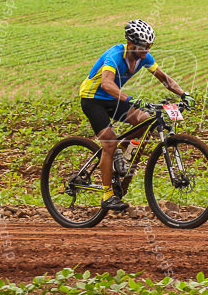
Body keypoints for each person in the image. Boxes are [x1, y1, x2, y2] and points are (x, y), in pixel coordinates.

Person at [78, 20, 194, 212]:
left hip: (113, 98)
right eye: (143, 46)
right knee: (109, 141)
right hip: (93, 99)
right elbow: (107, 84)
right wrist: (130, 99)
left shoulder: (143, 57)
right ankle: (107, 195)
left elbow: (164, 78)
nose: (146, 50)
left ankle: (121, 156)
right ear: (131, 44)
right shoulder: (115, 55)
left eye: (149, 46)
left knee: (145, 121)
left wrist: (183, 94)